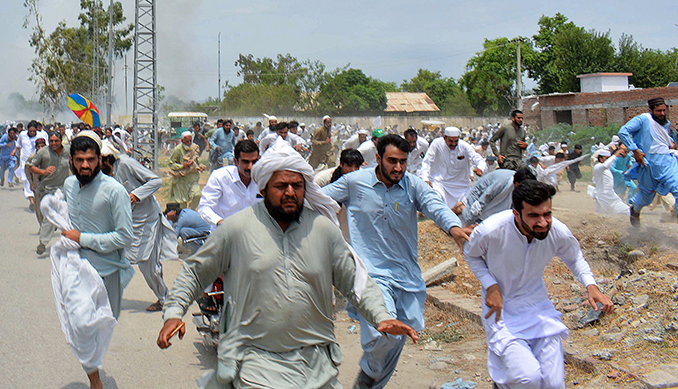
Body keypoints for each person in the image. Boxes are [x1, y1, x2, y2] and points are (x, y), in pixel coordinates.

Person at [157, 145, 417, 389]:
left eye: (297, 185)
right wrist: (173, 312)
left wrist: (381, 316)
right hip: (253, 360)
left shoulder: (323, 230)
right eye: (281, 186)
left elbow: (356, 281)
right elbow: (194, 272)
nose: (290, 192)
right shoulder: (236, 229)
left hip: (316, 363)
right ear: (264, 188)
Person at [324, 134, 472, 389]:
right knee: (386, 329)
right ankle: (367, 377)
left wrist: (454, 228)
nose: (398, 168)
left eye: (403, 161)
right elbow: (319, 200)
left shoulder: (412, 184)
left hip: (407, 275)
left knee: (401, 334)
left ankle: (370, 382)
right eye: (392, 161)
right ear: (378, 158)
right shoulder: (354, 182)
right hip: (372, 273)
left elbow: (434, 205)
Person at [463, 180, 613, 389]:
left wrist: (591, 285)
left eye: (547, 214)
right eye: (533, 215)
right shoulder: (491, 230)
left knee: (553, 384)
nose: (543, 222)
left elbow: (574, 257)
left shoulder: (557, 230)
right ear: (516, 214)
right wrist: (491, 286)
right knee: (527, 378)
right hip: (502, 312)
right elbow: (471, 255)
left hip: (538, 309)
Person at [62, 131, 135, 389]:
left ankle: (94, 364)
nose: (85, 165)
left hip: (108, 273)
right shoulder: (69, 186)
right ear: (71, 159)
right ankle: (95, 379)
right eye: (80, 159)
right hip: (75, 271)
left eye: (91, 159)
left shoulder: (114, 191)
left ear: (99, 159)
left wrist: (84, 239)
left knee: (102, 329)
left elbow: (124, 237)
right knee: (79, 326)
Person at [101, 142, 177, 312]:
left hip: (146, 220)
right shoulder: (99, 175)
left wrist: (137, 194)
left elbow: (156, 181)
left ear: (107, 158)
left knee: (148, 266)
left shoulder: (127, 164)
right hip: (124, 222)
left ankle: (165, 299)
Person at [619, 97, 678, 242]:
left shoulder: (665, 124)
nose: (662, 113)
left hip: (668, 164)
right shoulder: (643, 119)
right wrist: (634, 150)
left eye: (663, 111)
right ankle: (635, 209)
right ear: (650, 110)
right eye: (658, 111)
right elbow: (623, 131)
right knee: (646, 198)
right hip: (648, 165)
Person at [198, 140, 261, 230]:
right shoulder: (220, 177)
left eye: (254, 162)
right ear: (235, 161)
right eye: (245, 162)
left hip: (254, 235)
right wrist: (221, 223)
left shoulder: (263, 180)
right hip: (225, 236)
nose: (250, 167)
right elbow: (204, 207)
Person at [421, 126, 486, 209]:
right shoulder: (437, 144)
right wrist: (425, 179)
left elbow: (477, 158)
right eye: (451, 141)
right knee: (434, 201)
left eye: (456, 141)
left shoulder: (464, 146)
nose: (454, 144)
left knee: (463, 209)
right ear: (444, 138)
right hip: (440, 184)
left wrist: (480, 168)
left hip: (461, 187)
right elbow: (427, 162)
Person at [28, 131, 71, 254]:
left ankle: (43, 242)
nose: (53, 143)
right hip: (46, 189)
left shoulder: (68, 151)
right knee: (46, 216)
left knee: (53, 215)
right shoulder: (43, 153)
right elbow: (31, 166)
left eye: (56, 141)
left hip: (63, 189)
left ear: (61, 140)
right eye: (51, 141)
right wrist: (43, 172)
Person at [456, 168, 536, 226]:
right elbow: (484, 198)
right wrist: (470, 219)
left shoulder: (520, 182)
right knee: (471, 218)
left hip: (493, 197)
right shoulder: (502, 182)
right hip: (481, 192)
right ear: (517, 184)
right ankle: (462, 208)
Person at [587, 147, 631, 215]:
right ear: (600, 158)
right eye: (606, 158)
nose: (608, 160)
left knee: (625, 210)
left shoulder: (607, 169)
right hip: (603, 195)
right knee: (603, 213)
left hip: (610, 194)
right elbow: (606, 165)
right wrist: (615, 155)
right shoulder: (598, 167)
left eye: (608, 158)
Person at [168, 131, 205, 209]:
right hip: (182, 180)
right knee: (182, 205)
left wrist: (200, 166)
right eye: (186, 141)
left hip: (193, 179)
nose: (188, 143)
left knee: (197, 195)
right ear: (182, 141)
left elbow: (196, 162)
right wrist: (182, 166)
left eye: (190, 141)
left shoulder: (194, 148)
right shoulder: (178, 149)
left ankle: (191, 212)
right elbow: (171, 164)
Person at [15, 120, 40, 210]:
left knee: (35, 181)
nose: (32, 133)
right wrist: (14, 151)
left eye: (34, 131)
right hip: (25, 162)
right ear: (27, 130)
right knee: (26, 180)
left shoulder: (41, 136)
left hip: (36, 163)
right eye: (30, 131)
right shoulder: (22, 135)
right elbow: (18, 144)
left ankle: (36, 198)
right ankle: (31, 201)